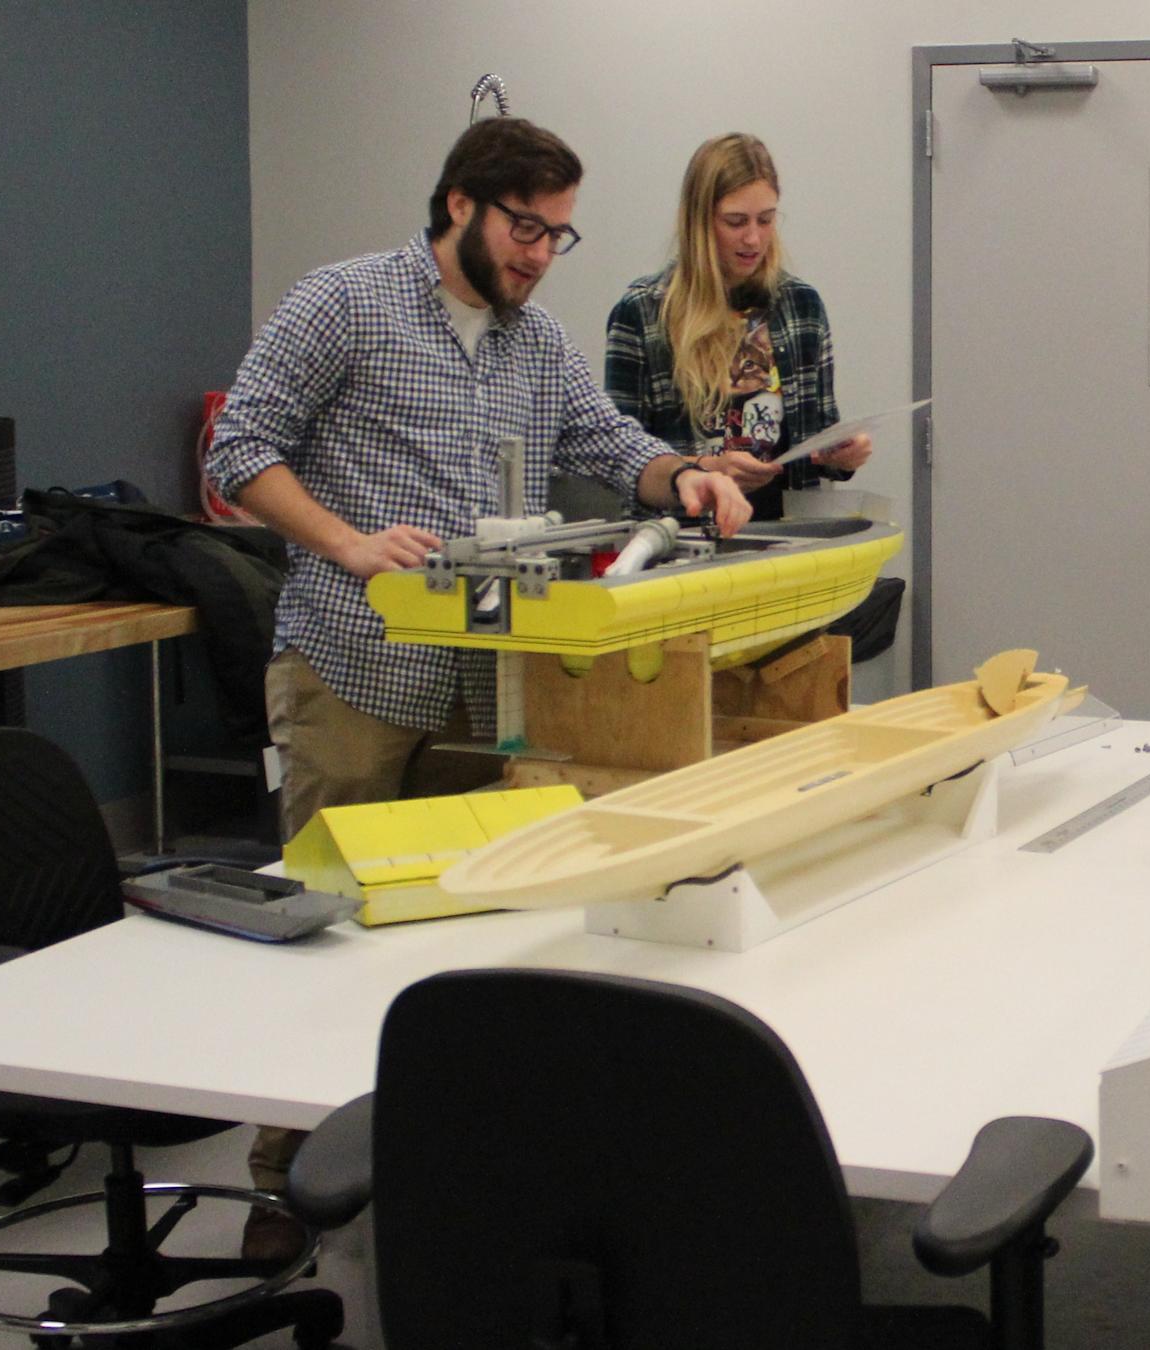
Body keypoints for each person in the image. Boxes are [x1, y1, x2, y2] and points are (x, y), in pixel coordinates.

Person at [203, 116, 747, 1258]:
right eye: (524, 227)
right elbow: (239, 449)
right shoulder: (344, 302)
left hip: (484, 678)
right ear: (459, 204)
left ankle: (446, 1163)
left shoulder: (533, 342)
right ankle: (281, 1182)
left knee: (471, 924)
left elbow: (608, 439)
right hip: (354, 663)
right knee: (326, 924)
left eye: (560, 234)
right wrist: (347, 542)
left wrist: (687, 471)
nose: (541, 254)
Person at [604, 133, 872, 522]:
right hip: (685, 545)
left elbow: (817, 441)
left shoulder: (802, 307)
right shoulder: (643, 313)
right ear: (699, 221)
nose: (753, 238)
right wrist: (706, 468)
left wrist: (844, 456)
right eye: (735, 222)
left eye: (766, 220)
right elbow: (618, 457)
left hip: (786, 541)